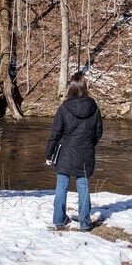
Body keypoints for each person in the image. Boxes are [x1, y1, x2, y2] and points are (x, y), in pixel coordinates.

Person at [45, 72, 103, 231]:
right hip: (85, 152)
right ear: (85, 88)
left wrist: (49, 153)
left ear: (70, 88)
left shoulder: (64, 108)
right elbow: (98, 132)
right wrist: (89, 145)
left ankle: (58, 220)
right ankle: (85, 223)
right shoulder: (94, 107)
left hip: (65, 153)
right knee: (83, 186)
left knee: (61, 186)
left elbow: (55, 133)